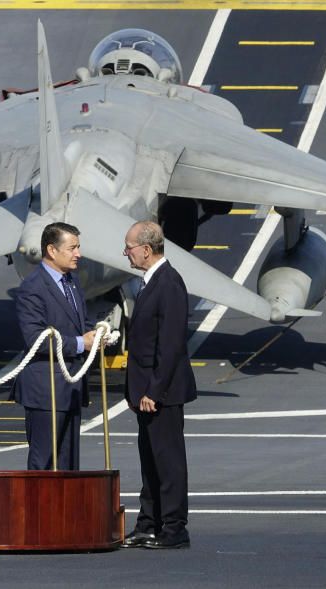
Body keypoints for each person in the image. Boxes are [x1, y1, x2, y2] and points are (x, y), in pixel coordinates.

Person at [121, 220, 197, 550]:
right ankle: (147, 523)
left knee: (168, 462)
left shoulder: (169, 284)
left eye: (130, 247)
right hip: (145, 392)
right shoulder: (151, 282)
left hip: (160, 393)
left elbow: (170, 345)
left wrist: (154, 390)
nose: (126, 253)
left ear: (147, 250)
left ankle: (174, 527)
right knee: (150, 460)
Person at [11, 222, 96, 470]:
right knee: (44, 463)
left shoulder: (72, 281)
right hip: (45, 390)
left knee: (69, 464)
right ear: (52, 250)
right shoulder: (32, 288)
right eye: (72, 248)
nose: (78, 253)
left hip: (71, 387)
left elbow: (81, 320)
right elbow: (35, 338)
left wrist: (94, 334)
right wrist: (82, 343)